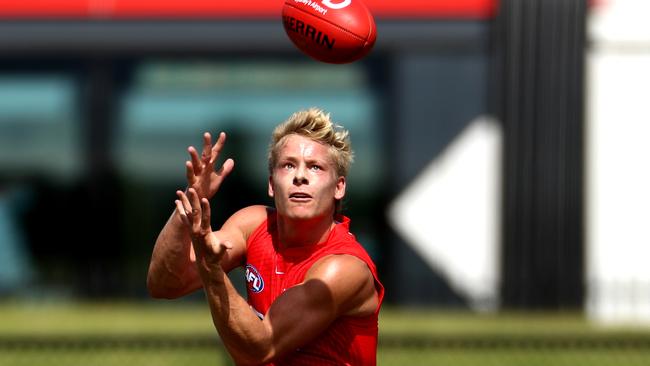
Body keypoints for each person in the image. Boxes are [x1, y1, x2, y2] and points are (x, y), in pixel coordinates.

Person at [147, 108, 384, 365]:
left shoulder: (343, 268)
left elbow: (260, 349)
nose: (300, 176)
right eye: (288, 165)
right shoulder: (253, 224)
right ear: (271, 184)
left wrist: (211, 270)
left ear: (339, 187)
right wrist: (188, 203)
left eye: (315, 167)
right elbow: (165, 284)